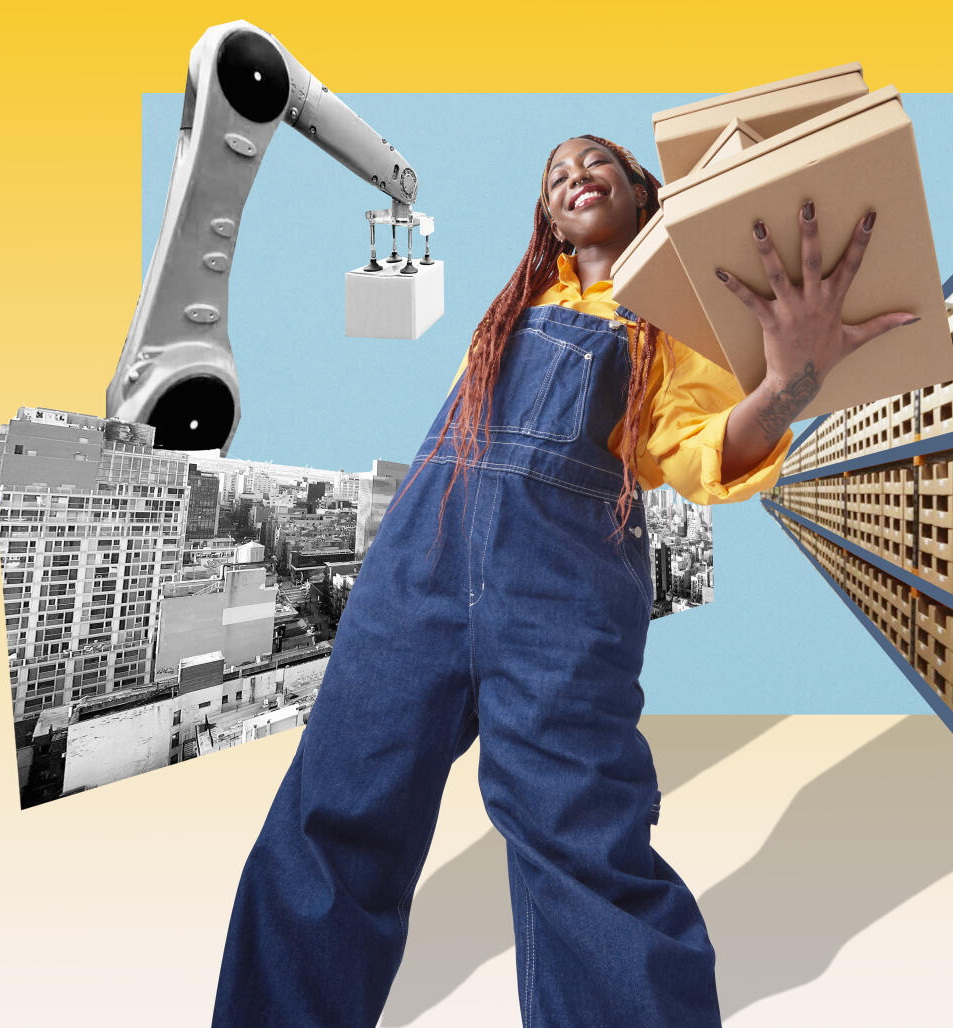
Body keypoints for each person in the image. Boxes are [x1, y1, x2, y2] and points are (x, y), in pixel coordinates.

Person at [211, 134, 915, 1027]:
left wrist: (786, 385)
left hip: (561, 596)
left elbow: (699, 454)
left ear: (641, 191)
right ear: (547, 218)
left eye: (597, 165)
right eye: (555, 175)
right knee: (333, 815)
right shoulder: (515, 308)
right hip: (417, 571)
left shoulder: (679, 325)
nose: (574, 175)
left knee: (582, 844)